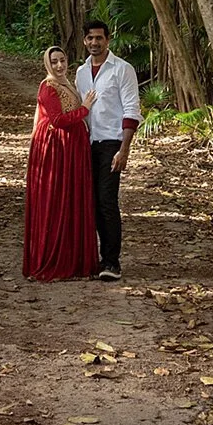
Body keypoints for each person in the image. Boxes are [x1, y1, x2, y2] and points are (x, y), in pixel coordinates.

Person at [23, 45, 101, 281]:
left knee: (72, 200)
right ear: (48, 64)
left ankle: (74, 261)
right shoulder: (48, 87)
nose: (59, 65)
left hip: (71, 148)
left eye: (62, 60)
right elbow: (57, 120)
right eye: (54, 61)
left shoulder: (68, 84)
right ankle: (54, 261)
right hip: (58, 150)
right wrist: (84, 109)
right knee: (58, 201)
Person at [74, 21, 141, 280]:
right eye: (90, 38)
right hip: (86, 144)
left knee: (106, 200)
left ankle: (111, 262)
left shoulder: (122, 70)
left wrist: (124, 149)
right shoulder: (80, 73)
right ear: (84, 41)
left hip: (111, 143)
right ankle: (91, 258)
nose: (94, 43)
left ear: (108, 40)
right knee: (88, 202)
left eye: (99, 38)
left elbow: (131, 110)